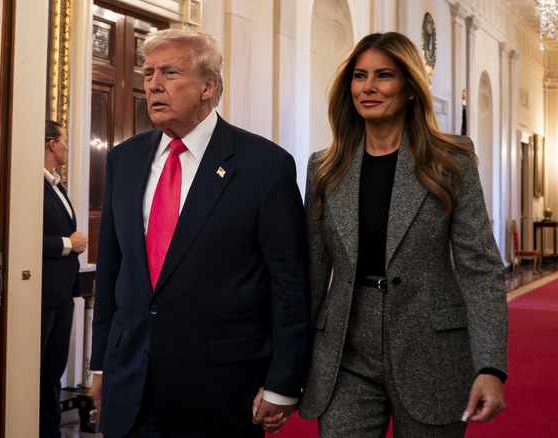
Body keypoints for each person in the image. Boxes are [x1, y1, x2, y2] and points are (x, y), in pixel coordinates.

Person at [89, 29, 309, 437]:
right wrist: (101, 363)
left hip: (221, 390)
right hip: (132, 385)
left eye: (170, 73)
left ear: (209, 86)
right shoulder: (125, 159)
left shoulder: (264, 165)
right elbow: (112, 274)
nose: (153, 84)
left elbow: (290, 285)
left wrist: (283, 381)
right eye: (149, 73)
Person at [298, 32, 508, 437]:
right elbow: (310, 273)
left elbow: (479, 270)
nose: (369, 87)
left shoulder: (452, 159)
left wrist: (491, 366)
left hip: (432, 351)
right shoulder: (323, 168)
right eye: (360, 76)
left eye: (384, 75)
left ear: (410, 87)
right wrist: (290, 366)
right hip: (345, 353)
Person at [41, 120, 88, 437]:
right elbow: (25, 238)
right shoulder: (31, 184)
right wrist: (70, 244)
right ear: (51, 144)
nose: (68, 147)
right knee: (38, 370)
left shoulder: (57, 185)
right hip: (42, 295)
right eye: (66, 140)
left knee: (53, 370)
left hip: (61, 294)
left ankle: (51, 429)